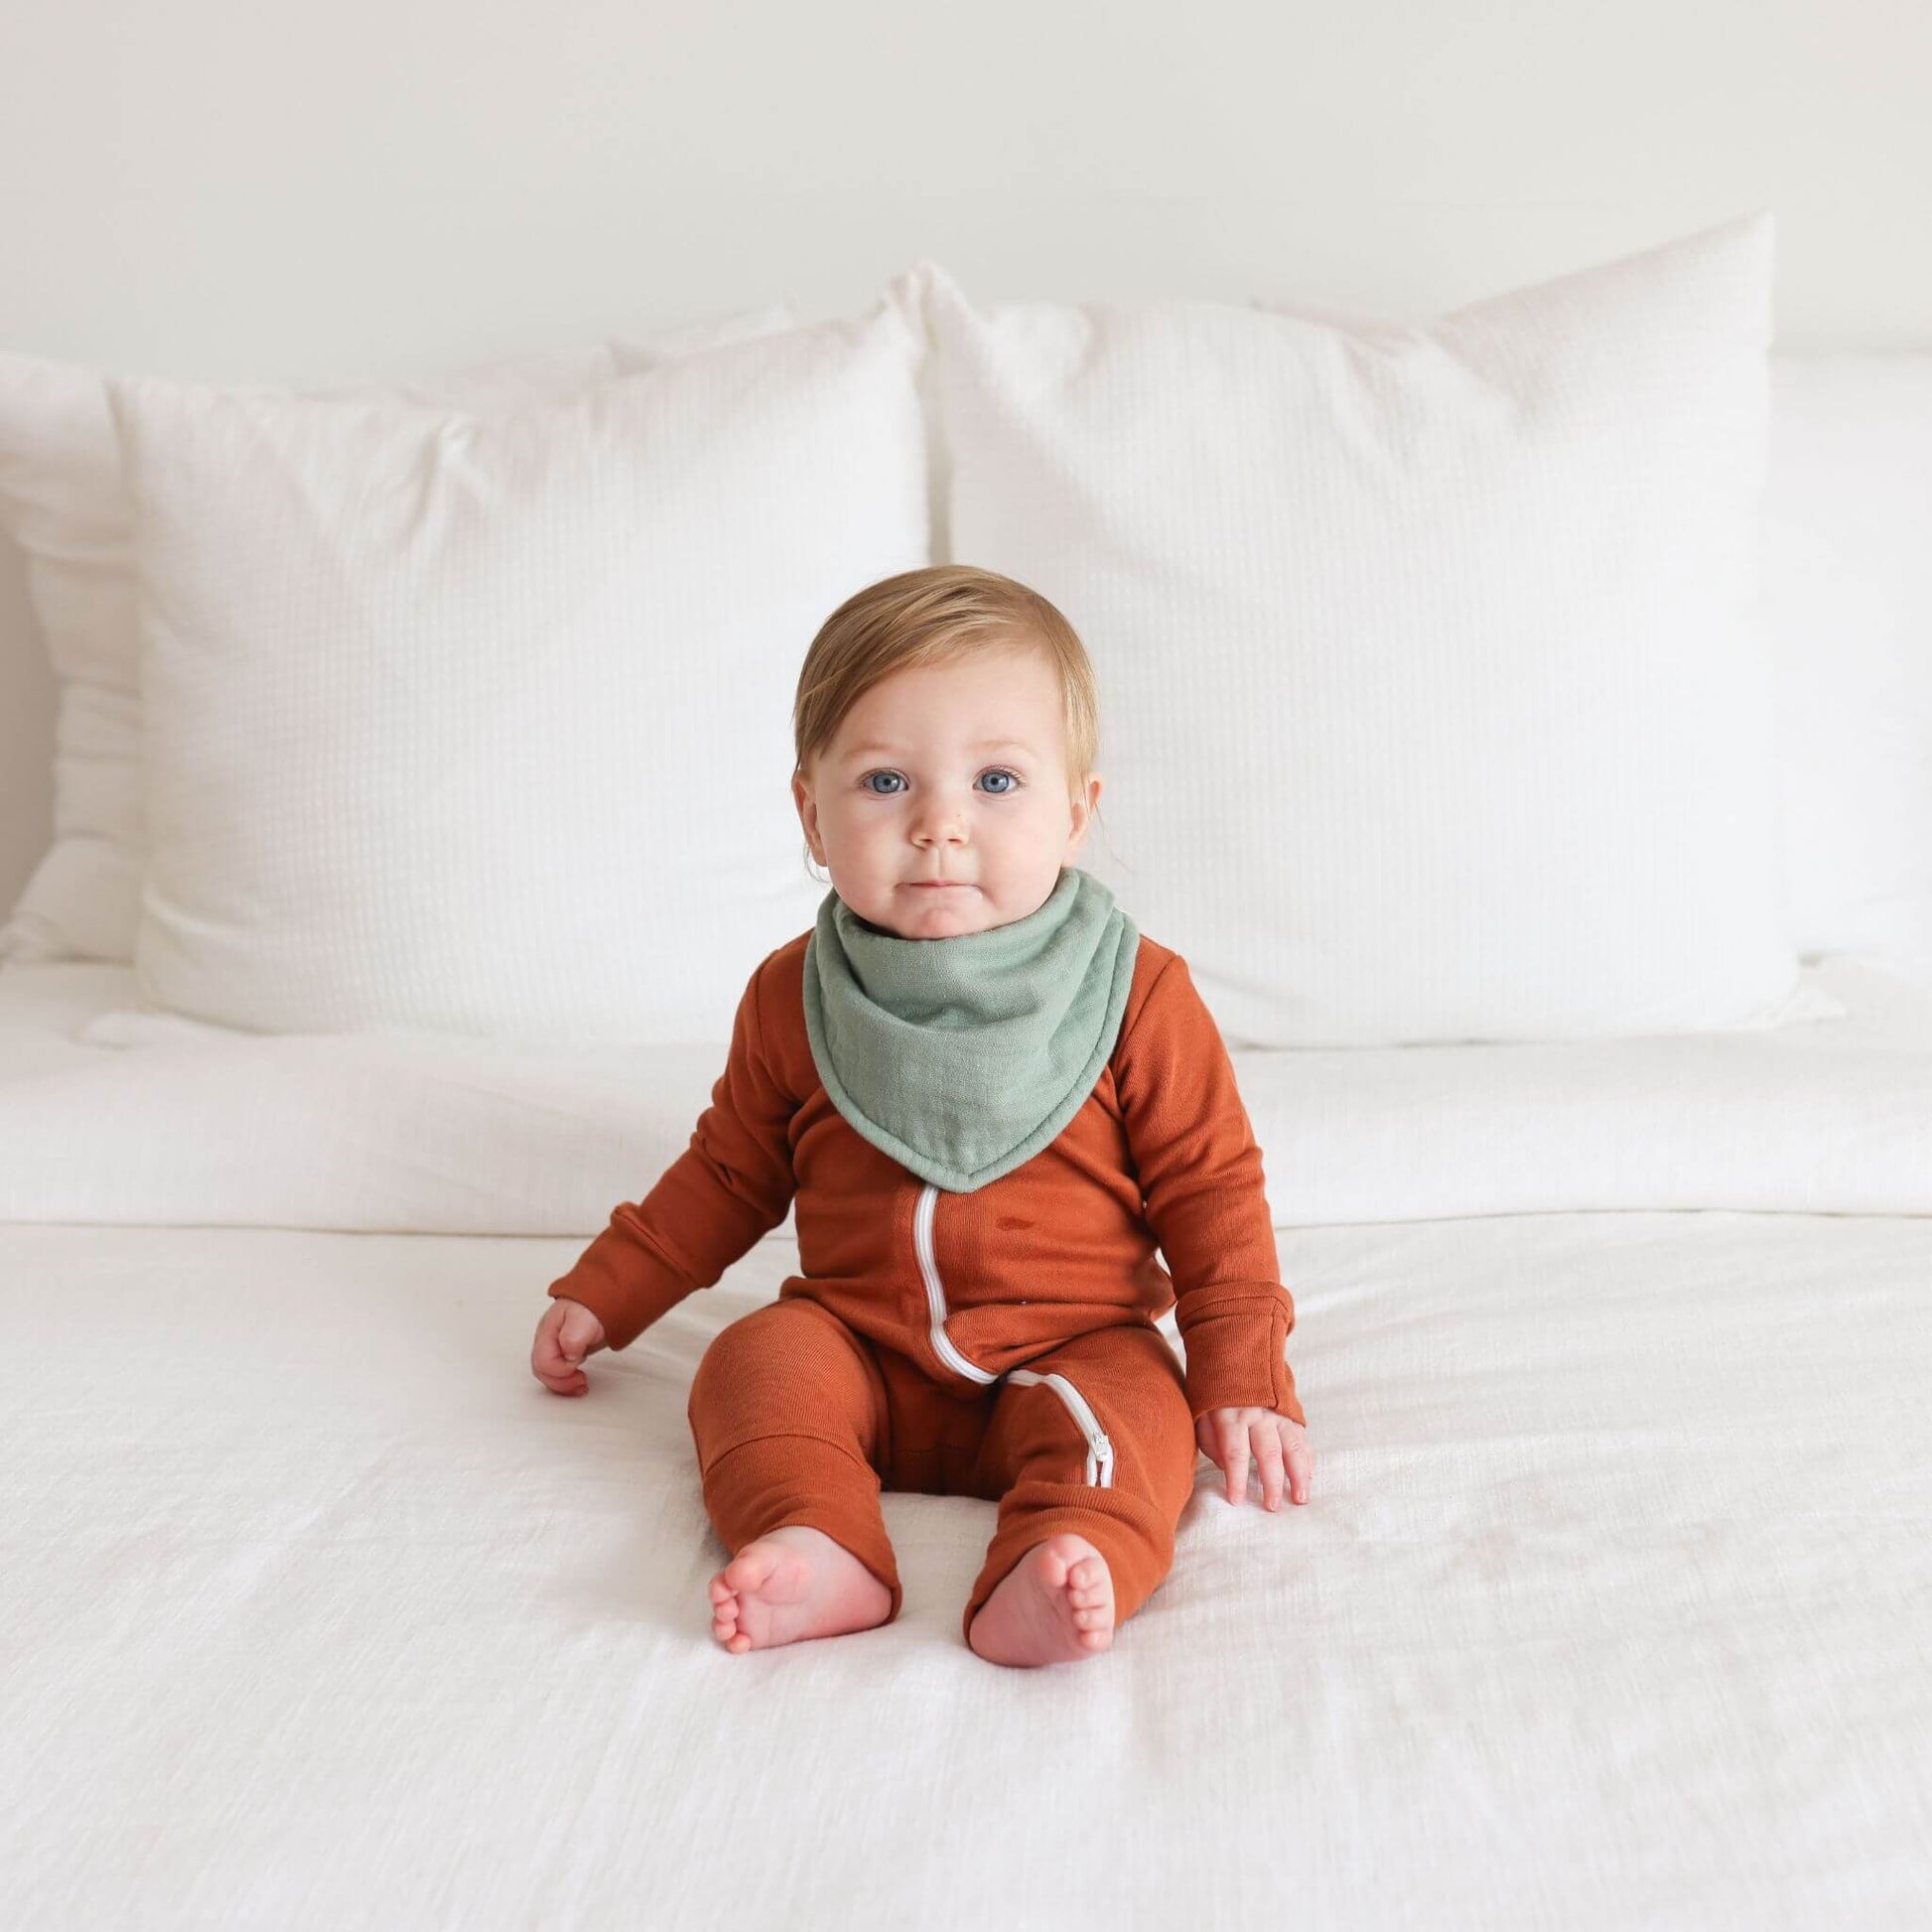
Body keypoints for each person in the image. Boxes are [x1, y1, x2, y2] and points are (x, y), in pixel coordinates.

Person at [530, 563, 1313, 1667]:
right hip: (859, 1351)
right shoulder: (794, 994)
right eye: (886, 781)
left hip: (1069, 1349)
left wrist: (1243, 1375)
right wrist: (607, 1290)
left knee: (1137, 1415)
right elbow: (727, 1172)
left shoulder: (1134, 992)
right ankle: (814, 1537)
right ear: (811, 813)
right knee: (751, 1364)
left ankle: (1067, 1554)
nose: (939, 825)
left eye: (996, 781)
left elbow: (1210, 1189)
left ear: (1076, 813)